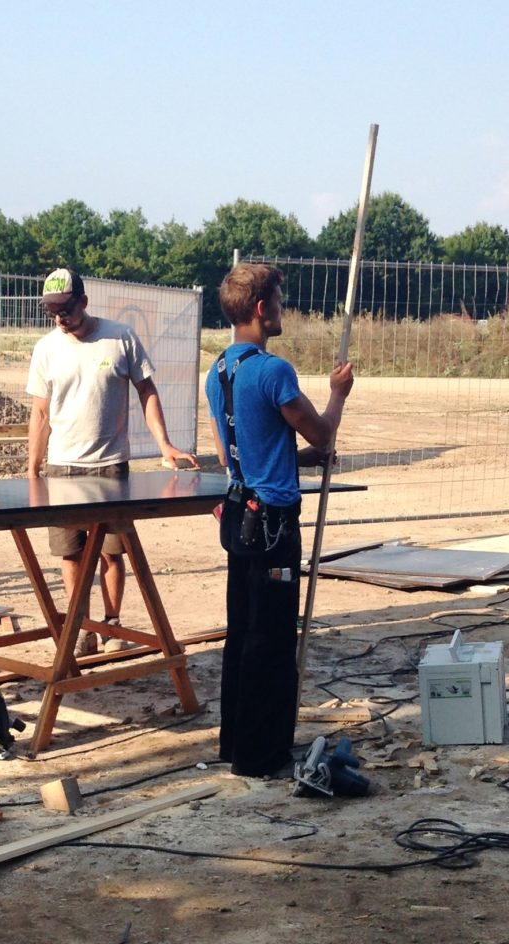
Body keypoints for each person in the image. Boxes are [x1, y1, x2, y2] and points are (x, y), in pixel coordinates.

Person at [205, 262, 354, 779]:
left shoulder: (219, 371)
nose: (283, 308)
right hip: (273, 526)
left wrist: (303, 460)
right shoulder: (273, 372)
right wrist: (338, 394)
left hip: (239, 515)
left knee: (243, 629)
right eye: (279, 300)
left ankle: (236, 742)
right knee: (270, 639)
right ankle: (262, 754)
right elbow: (321, 431)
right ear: (261, 308)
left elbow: (241, 450)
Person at [27, 268, 200, 656]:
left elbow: (147, 390)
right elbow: (39, 413)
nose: (60, 318)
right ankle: (81, 628)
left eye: (66, 309)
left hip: (110, 468)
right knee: (70, 553)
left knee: (111, 551)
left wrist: (165, 445)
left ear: (84, 302)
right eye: (52, 311)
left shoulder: (120, 337)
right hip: (62, 471)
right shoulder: (46, 349)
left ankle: (111, 623)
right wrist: (33, 467)